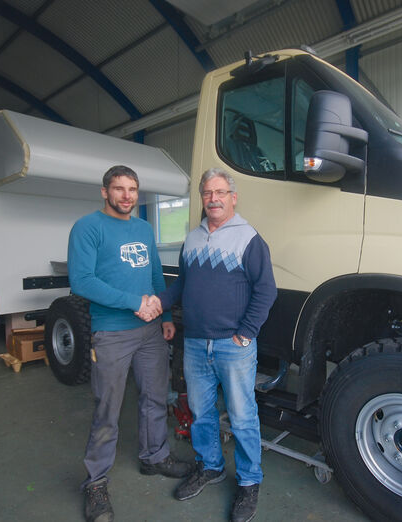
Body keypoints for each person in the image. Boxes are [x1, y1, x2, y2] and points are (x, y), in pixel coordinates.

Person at [145, 167, 276, 522]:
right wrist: (159, 302)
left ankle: (249, 481)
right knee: (201, 412)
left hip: (233, 345)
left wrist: (246, 332)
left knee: (242, 416)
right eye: (207, 193)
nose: (213, 199)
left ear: (233, 197)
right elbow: (182, 285)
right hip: (195, 343)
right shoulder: (192, 239)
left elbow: (266, 290)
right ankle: (210, 466)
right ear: (202, 198)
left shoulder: (249, 238)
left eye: (220, 192)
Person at [68, 165, 193, 522]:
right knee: (107, 409)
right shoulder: (88, 227)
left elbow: (154, 275)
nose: (127, 196)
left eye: (133, 189)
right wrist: (132, 302)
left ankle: (155, 456)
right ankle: (96, 482)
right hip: (112, 333)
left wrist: (164, 316)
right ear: (104, 192)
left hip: (151, 330)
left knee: (155, 397)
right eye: (119, 189)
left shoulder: (143, 228)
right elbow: (81, 281)